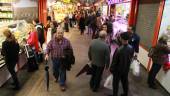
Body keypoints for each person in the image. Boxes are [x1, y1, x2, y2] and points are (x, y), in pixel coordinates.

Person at [110, 32, 134, 96]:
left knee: (115, 83)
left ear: (121, 39)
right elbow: (131, 58)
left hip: (118, 70)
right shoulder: (131, 48)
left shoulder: (118, 50)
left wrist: (111, 69)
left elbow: (114, 61)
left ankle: (115, 94)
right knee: (125, 82)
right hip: (126, 69)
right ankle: (125, 94)